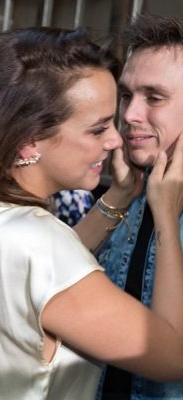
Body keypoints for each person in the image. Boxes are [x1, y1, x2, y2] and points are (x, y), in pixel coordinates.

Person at [0, 27, 183, 400]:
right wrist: (165, 219)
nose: (119, 133)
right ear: (27, 141)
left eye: (154, 97)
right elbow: (173, 356)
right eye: (98, 127)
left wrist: (118, 198)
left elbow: (46, 282)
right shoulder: (35, 243)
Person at [94, 14, 183, 400]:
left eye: (154, 97)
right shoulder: (130, 194)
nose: (129, 114)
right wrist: (118, 197)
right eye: (127, 95)